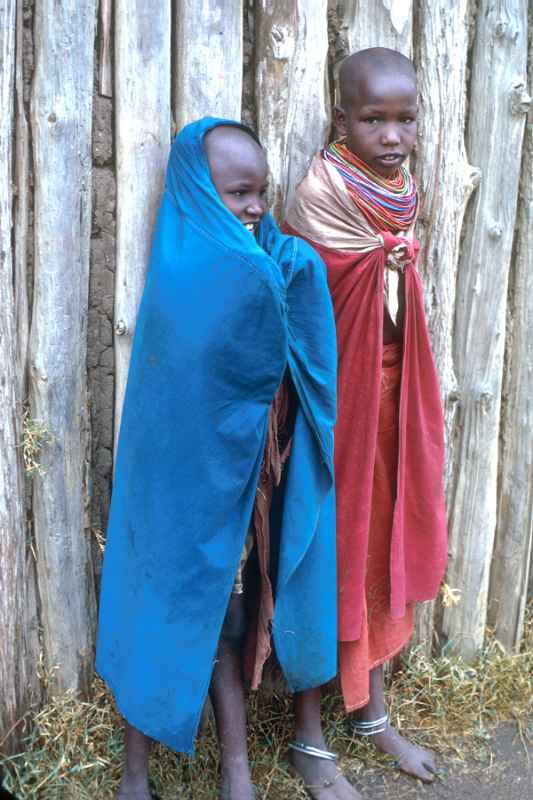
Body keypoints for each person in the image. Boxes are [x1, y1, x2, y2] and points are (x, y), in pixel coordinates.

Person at [96, 117, 356, 800]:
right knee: (161, 606)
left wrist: (281, 273)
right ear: (198, 193)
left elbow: (300, 349)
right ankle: (135, 775)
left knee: (237, 613)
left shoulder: (277, 260)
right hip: (179, 491)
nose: (255, 209)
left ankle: (237, 770)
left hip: (252, 484)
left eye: (260, 193)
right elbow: (179, 395)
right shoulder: (182, 274)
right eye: (237, 194)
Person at [284, 48, 448, 783]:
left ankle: (371, 710)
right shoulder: (320, 195)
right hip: (332, 407)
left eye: (403, 119)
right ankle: (309, 736)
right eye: (372, 119)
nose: (390, 135)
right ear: (340, 119)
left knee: (383, 542)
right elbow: (301, 307)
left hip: (392, 392)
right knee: (329, 550)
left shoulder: (402, 191)